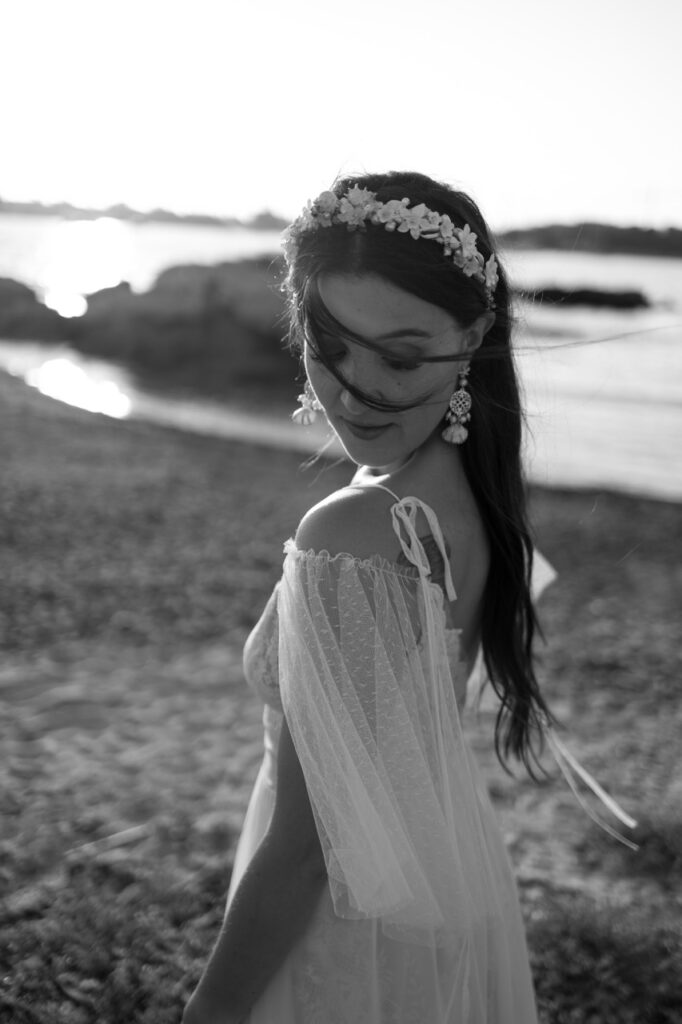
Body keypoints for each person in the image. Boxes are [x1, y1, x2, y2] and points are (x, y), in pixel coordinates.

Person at [183, 171, 638, 1024]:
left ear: (473, 337)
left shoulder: (355, 529)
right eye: (329, 343)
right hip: (444, 881)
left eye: (399, 356)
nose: (355, 390)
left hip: (345, 925)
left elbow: (309, 847)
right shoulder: (475, 493)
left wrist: (209, 1009)